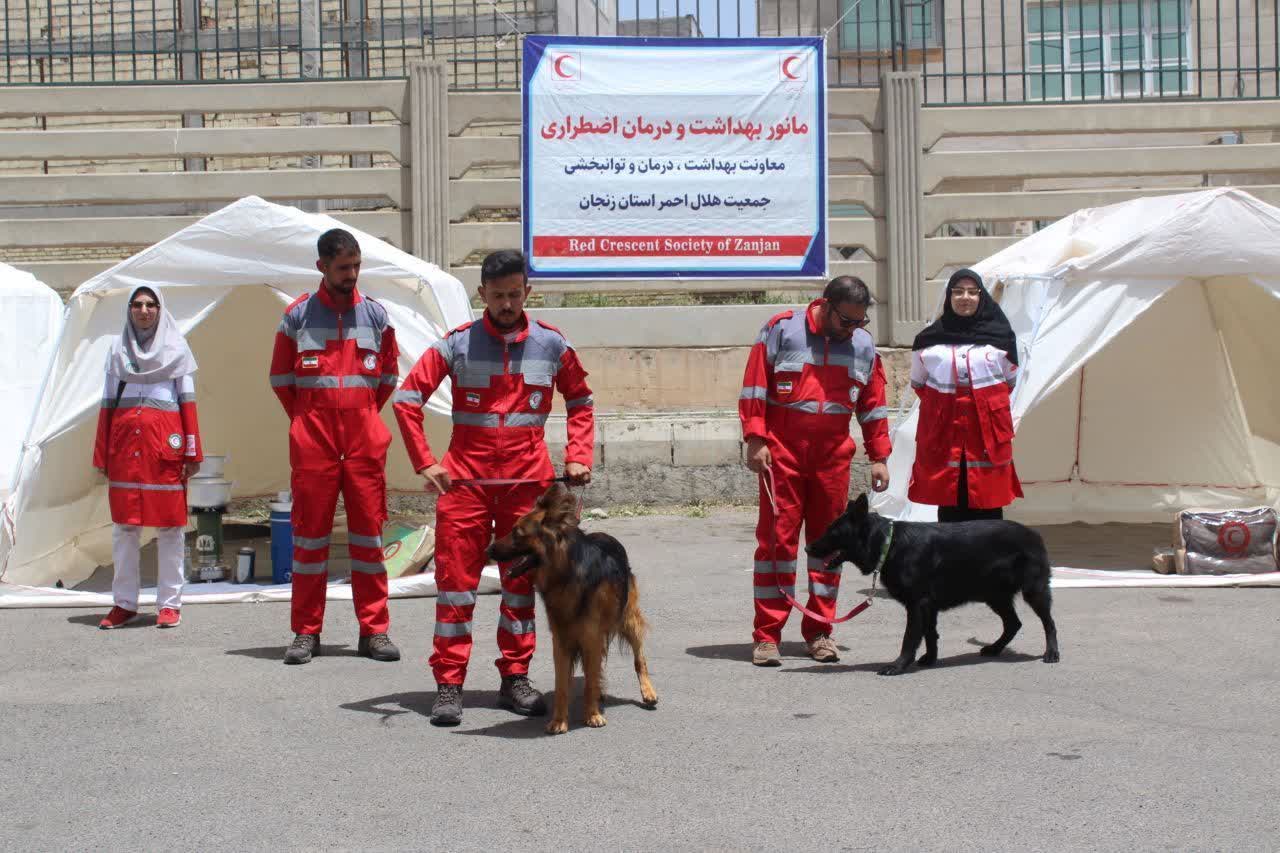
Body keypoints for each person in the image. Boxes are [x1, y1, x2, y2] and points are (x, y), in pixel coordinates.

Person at [394, 249, 594, 726]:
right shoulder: (456, 345)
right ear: (481, 293)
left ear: (527, 292)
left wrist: (579, 455)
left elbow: (581, 400)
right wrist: (425, 461)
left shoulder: (552, 345)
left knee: (520, 586)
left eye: (514, 294)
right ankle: (449, 683)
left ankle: (515, 678)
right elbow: (406, 399)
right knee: (455, 587)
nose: (506, 304)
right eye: (498, 295)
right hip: (466, 485)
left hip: (527, 487)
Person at [739, 276, 892, 668]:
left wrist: (879, 456)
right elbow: (755, 387)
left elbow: (873, 404)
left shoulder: (862, 345)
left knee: (831, 546)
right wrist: (755, 438)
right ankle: (767, 636)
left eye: (860, 322)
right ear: (825, 306)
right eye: (846, 320)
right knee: (777, 546)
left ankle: (820, 632)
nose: (852, 329)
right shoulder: (781, 330)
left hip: (832, 459)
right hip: (782, 455)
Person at [269, 228, 401, 665]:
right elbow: (281, 380)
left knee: (369, 541)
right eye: (344, 268)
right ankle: (306, 633)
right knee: (309, 542)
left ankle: (374, 631)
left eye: (357, 266)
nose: (352, 275)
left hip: (364, 443)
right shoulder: (297, 317)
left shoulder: (377, 316)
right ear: (321, 267)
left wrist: (363, 415)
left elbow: (387, 378)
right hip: (314, 444)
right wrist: (307, 420)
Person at [93, 286, 202, 629]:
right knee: (125, 528)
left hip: (164, 451)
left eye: (150, 304)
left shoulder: (176, 349)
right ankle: (124, 604)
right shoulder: (117, 350)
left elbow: (187, 403)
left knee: (169, 527)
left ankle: (169, 604)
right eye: (137, 304)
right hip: (125, 450)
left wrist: (192, 451)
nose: (143, 310)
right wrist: (102, 453)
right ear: (129, 309)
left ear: (159, 309)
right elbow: (107, 404)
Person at [908, 268, 1022, 522]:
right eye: (958, 292)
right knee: (949, 497)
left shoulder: (1001, 338)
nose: (965, 298)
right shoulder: (928, 341)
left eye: (972, 292)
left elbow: (1009, 383)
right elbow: (920, 384)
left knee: (988, 500)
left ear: (981, 296)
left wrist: (979, 406)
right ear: (949, 297)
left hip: (986, 435)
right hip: (944, 433)